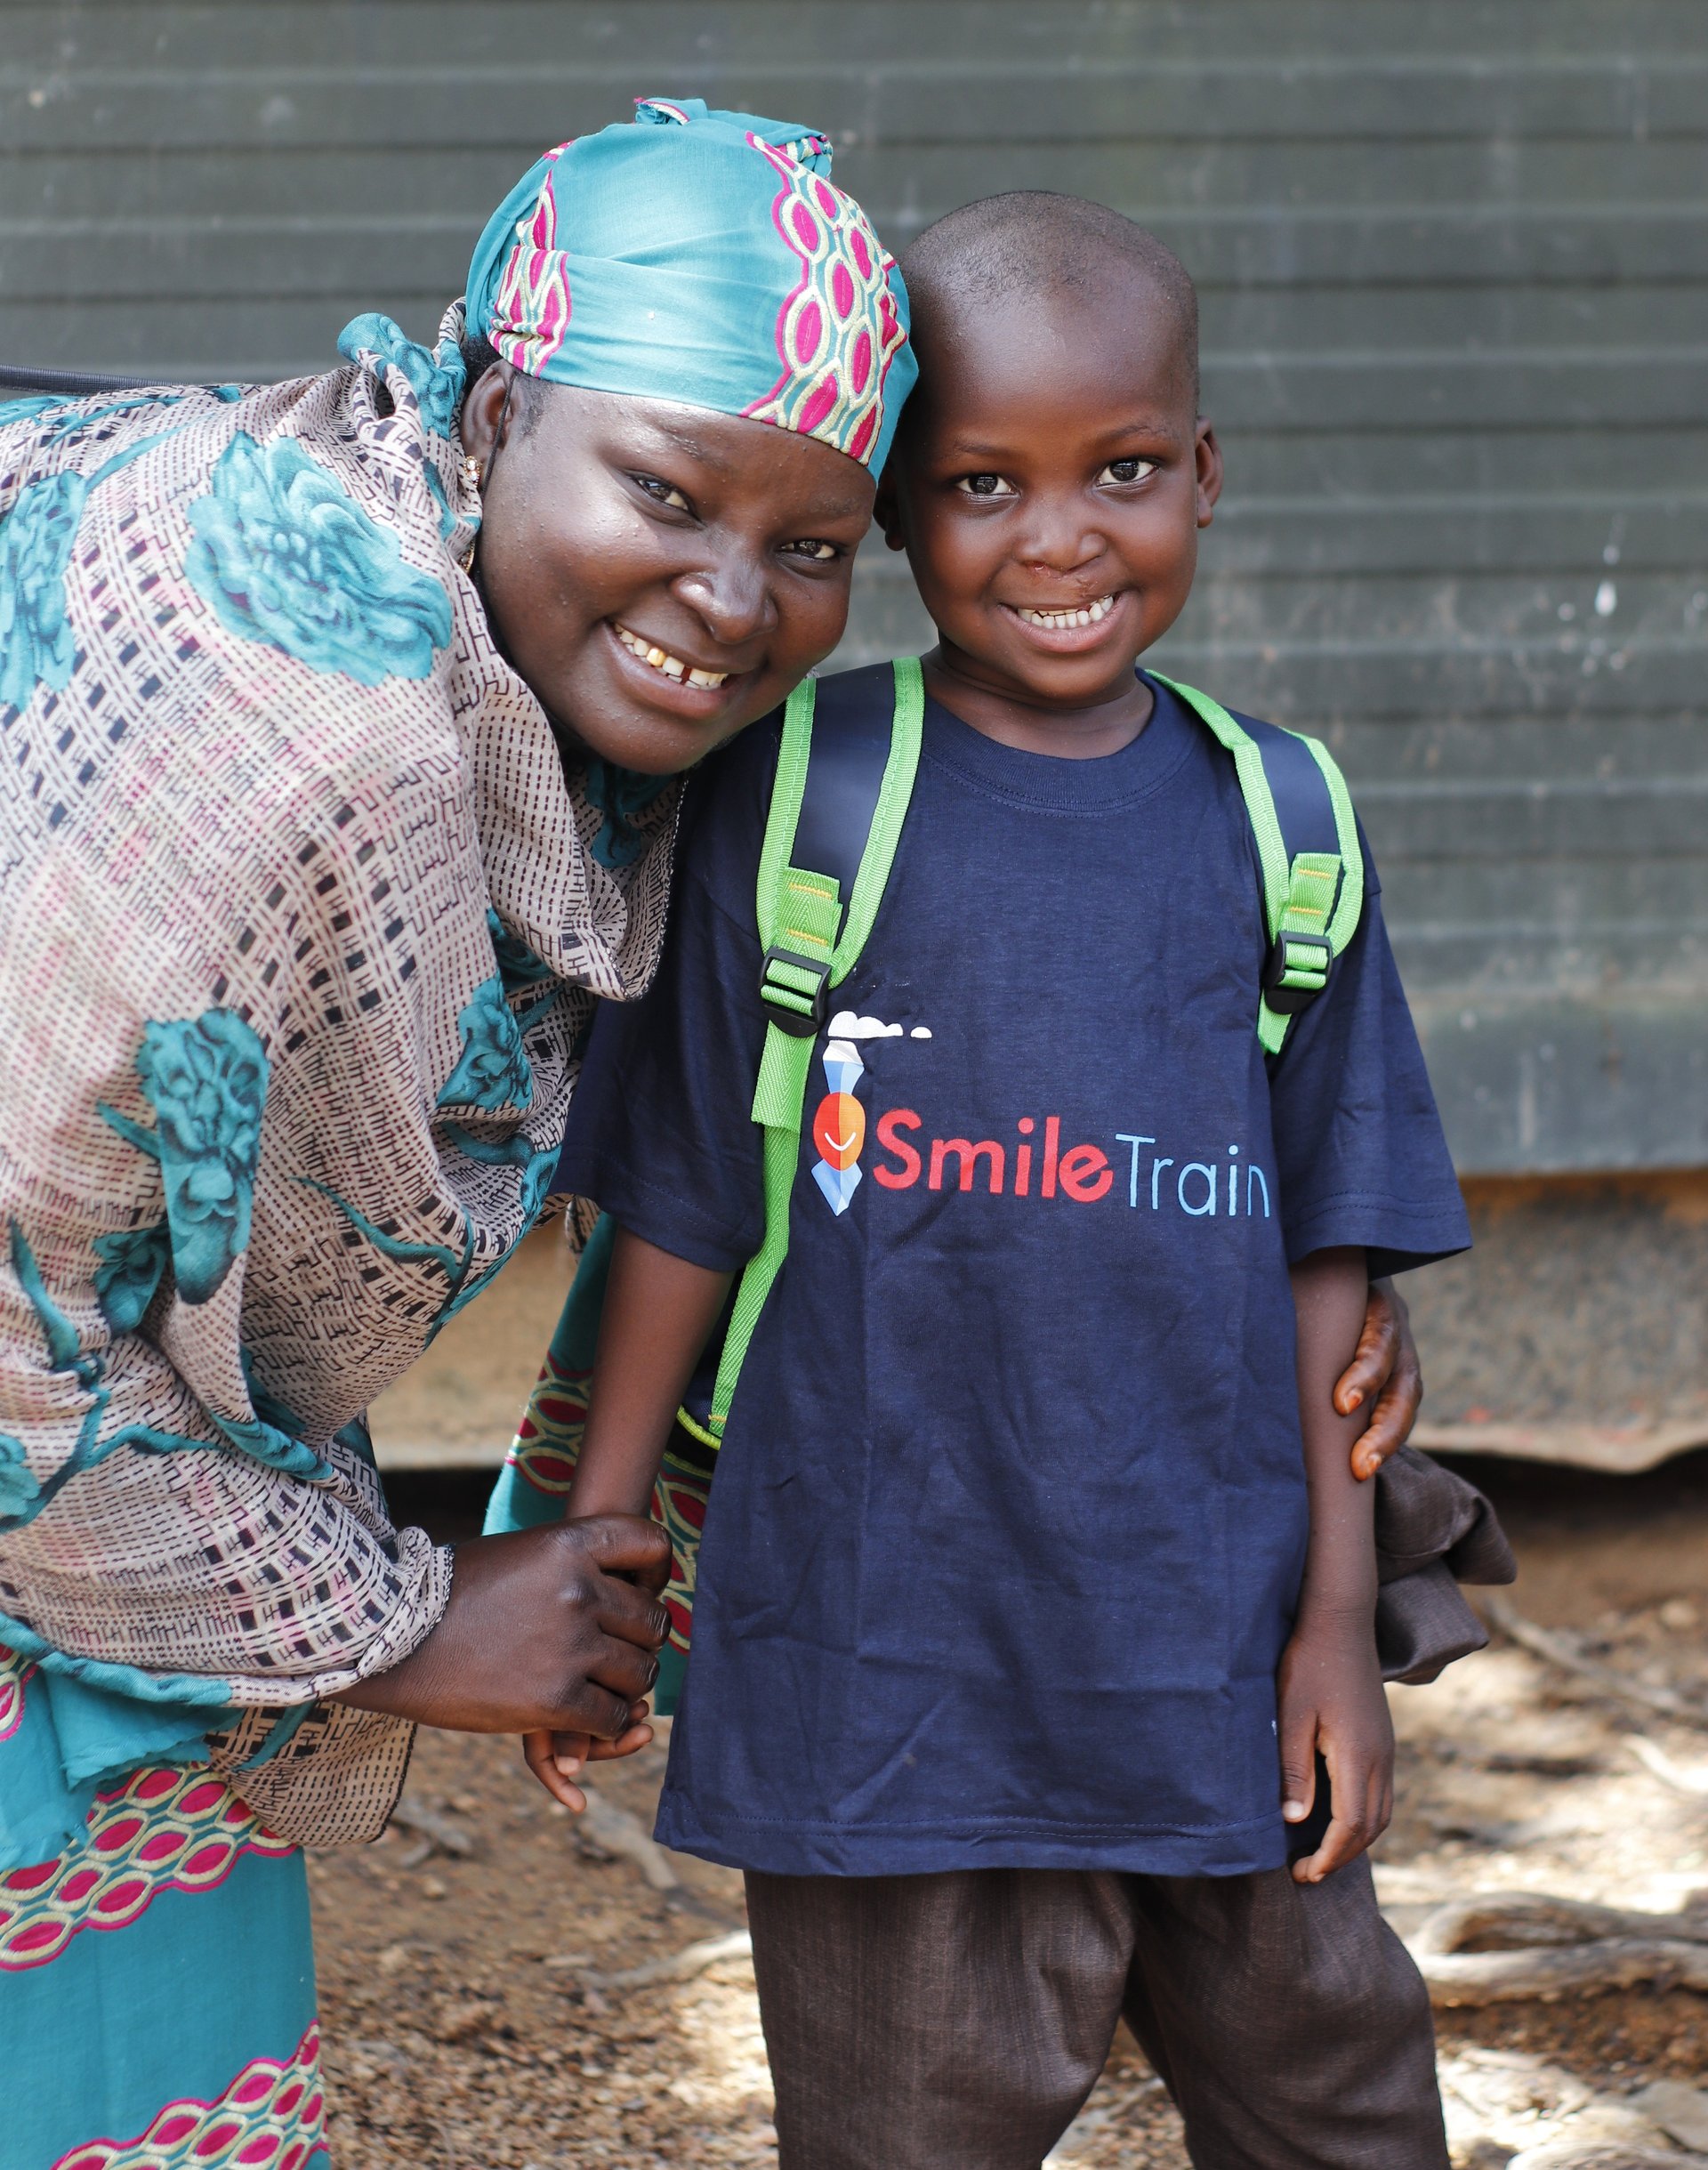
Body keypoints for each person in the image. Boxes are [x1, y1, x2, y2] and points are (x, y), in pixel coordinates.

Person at [0, 97, 917, 2170]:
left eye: (810, 544)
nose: (731, 599)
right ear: (498, 410)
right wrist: (403, 1616)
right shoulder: (296, 729)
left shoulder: (486, 639)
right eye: (670, 492)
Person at [545, 192, 1478, 2169]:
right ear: (893, 505)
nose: (1060, 539)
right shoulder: (802, 797)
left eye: (1122, 470)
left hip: (1215, 1660)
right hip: (887, 1675)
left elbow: (1329, 1256)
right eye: (982, 484)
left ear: (1205, 474)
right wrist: (595, 1549)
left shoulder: (1281, 821)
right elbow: (688, 1205)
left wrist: (1334, 1622)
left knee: (1348, 2110)